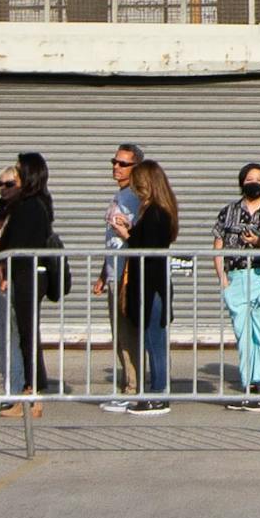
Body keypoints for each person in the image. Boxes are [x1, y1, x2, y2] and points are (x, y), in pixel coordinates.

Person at [0, 150, 57, 416]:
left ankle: (31, 395)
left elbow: (17, 245)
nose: (15, 174)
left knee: (27, 335)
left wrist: (6, 274)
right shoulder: (34, 202)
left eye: (19, 169)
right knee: (25, 334)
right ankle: (28, 393)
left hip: (27, 276)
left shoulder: (31, 206)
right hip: (25, 274)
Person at [114, 155, 178, 412]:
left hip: (151, 285)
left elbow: (147, 248)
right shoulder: (157, 211)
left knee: (155, 341)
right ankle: (158, 390)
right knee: (155, 339)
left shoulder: (155, 212)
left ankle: (158, 393)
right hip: (152, 284)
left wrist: (127, 235)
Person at [215, 163, 260, 402]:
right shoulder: (228, 211)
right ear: (242, 182)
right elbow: (217, 247)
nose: (255, 183)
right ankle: (249, 383)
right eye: (250, 179)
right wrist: (223, 280)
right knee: (243, 333)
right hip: (237, 276)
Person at [96, 145, 148, 399]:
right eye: (114, 162)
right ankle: (128, 383)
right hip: (114, 272)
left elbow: (135, 236)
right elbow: (112, 240)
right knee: (119, 334)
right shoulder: (119, 195)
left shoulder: (136, 197)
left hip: (128, 274)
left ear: (136, 167)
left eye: (123, 164)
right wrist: (103, 273)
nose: (116, 167)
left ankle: (133, 387)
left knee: (129, 333)